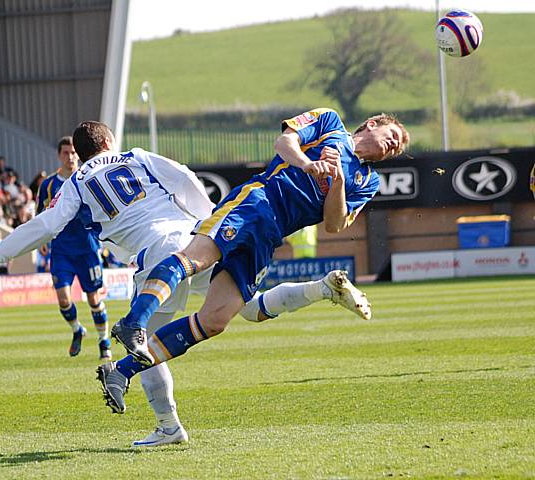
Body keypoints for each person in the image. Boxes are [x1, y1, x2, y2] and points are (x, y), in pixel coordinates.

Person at [0, 120, 370, 447]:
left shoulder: (73, 185)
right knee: (245, 309)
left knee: (147, 337)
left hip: (155, 252)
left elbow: (47, 224)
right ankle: (322, 289)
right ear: (109, 140)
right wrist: (208, 220)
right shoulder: (135, 155)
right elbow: (182, 175)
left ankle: (168, 425)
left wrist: (1, 252)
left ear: (78, 153)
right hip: (191, 232)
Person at [100, 108, 409, 419]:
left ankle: (121, 371)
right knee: (194, 259)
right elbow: (284, 143)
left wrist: (338, 179)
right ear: (371, 125)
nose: (394, 146)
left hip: (272, 234)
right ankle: (133, 321)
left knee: (215, 320)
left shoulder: (367, 181)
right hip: (256, 202)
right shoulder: (330, 123)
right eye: (392, 136)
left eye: (398, 147)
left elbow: (334, 223)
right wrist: (308, 164)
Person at [34, 136, 110, 360]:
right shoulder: (48, 185)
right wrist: (40, 241)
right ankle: (77, 329)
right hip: (61, 250)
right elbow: (41, 215)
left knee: (94, 299)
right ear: (59, 155)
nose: (71, 157)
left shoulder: (89, 180)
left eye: (74, 153)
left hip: (87, 248)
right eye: (66, 153)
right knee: (64, 300)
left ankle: (103, 341)